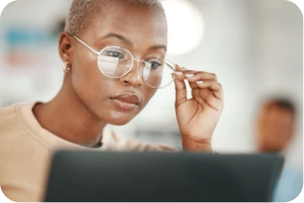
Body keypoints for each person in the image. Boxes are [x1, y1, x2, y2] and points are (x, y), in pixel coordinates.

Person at [0, 0, 224, 203]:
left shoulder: (156, 166)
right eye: (115, 54)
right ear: (67, 49)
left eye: (153, 62)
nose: (135, 78)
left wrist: (198, 142)